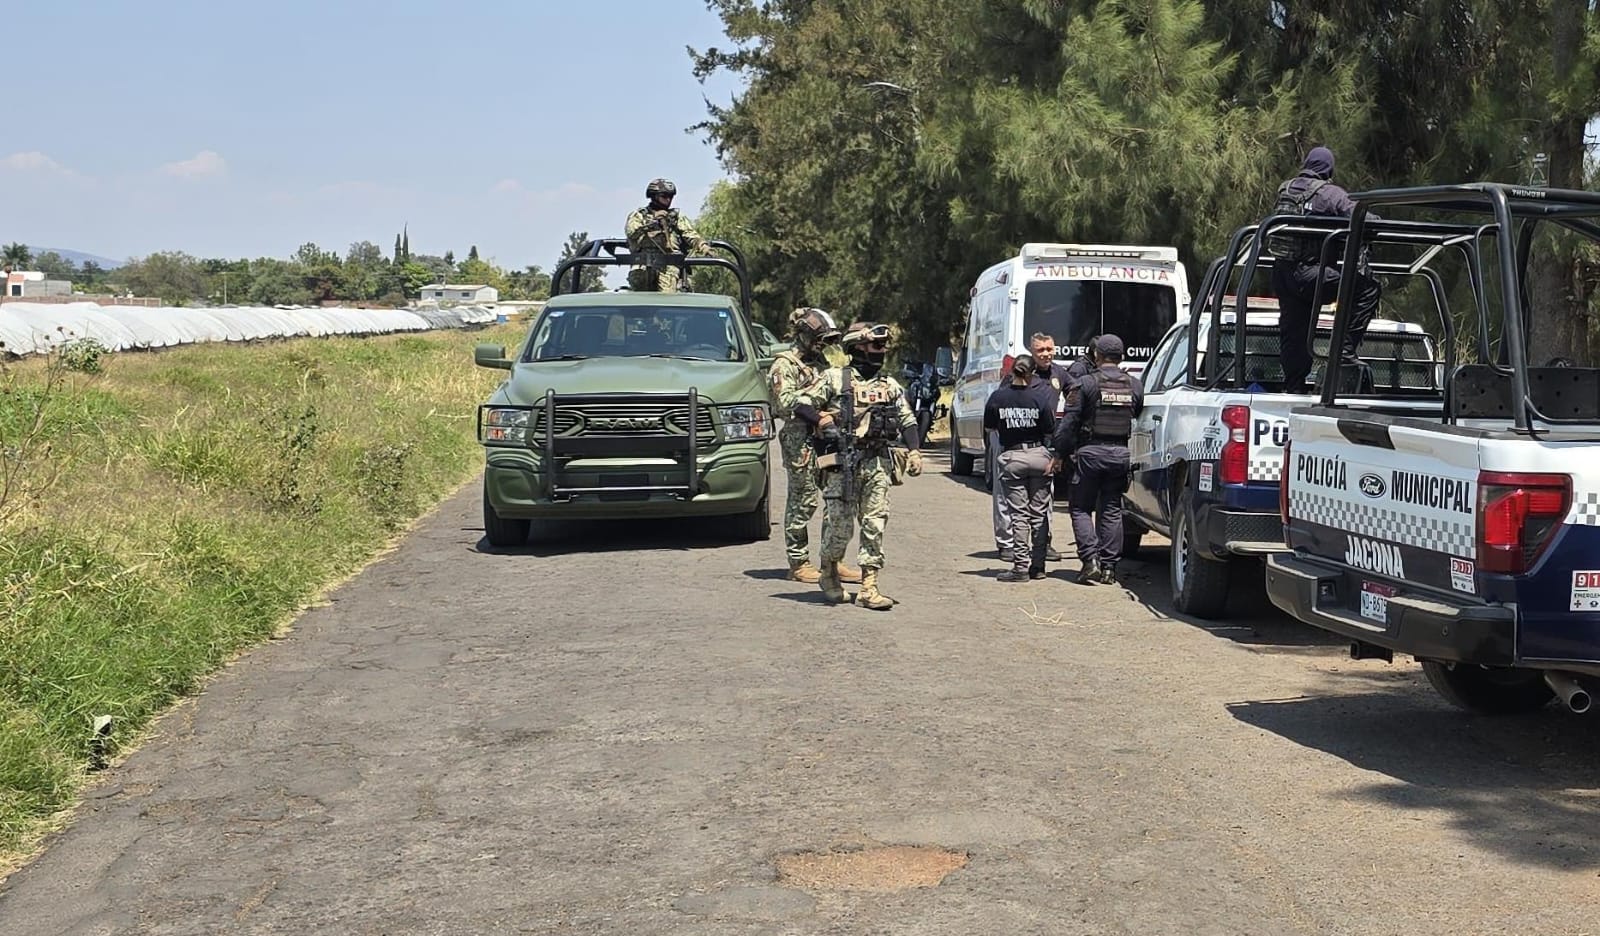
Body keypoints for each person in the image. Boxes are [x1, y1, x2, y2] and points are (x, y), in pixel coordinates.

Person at [792, 322, 923, 610]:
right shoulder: (834, 379)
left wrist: (914, 452)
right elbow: (799, 403)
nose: (882, 351)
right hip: (841, 464)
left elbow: (907, 420)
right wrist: (821, 419)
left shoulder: (889, 385)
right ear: (858, 348)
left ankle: (869, 587)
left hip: (876, 463)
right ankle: (829, 573)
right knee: (839, 526)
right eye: (877, 346)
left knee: (875, 523)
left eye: (884, 346)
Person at [1267, 146, 1384, 393]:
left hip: (1282, 274)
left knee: (1293, 331)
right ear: (1328, 169)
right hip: (1312, 275)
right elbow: (1360, 215)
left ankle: (1294, 386)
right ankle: (1343, 351)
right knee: (1368, 288)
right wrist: (1380, 224)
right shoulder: (1329, 193)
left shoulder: (1285, 189)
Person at [767, 307, 861, 586]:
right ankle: (798, 563)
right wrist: (818, 416)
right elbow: (785, 402)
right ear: (805, 335)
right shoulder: (784, 365)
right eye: (820, 338)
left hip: (829, 438)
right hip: (800, 440)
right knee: (803, 499)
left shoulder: (820, 363)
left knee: (835, 498)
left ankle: (832, 560)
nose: (824, 345)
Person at [1055, 334, 1143, 585]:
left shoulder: (1085, 383)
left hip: (1090, 454)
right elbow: (1136, 413)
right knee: (1112, 509)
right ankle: (1109, 569)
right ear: (1121, 357)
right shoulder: (1135, 386)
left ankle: (1089, 561)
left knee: (1081, 507)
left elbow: (1069, 423)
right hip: (1120, 455)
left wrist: (1059, 453)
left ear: (1097, 356)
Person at [984, 353, 1058, 582]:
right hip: (1038, 456)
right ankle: (1038, 566)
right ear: (1033, 373)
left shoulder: (998, 397)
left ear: (1011, 371)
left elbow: (989, 427)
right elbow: (1049, 429)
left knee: (1019, 515)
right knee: (1039, 514)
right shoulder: (1040, 398)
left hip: (1013, 456)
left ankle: (1020, 567)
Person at [993, 333, 1066, 561]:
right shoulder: (1017, 377)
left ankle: (1042, 546)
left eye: (1049, 349)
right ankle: (1007, 544)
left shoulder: (1058, 373)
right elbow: (995, 414)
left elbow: (1075, 390)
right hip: (1011, 442)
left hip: (1042, 442)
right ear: (1032, 355)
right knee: (1008, 497)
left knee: (1043, 498)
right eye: (1040, 350)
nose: (1046, 353)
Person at [624, 178, 709, 293]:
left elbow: (690, 234)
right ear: (653, 196)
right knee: (639, 286)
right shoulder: (639, 215)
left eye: (670, 197)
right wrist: (652, 222)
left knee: (667, 296)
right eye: (664, 196)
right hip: (642, 261)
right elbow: (631, 233)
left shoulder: (675, 217)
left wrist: (703, 246)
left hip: (668, 261)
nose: (668, 200)